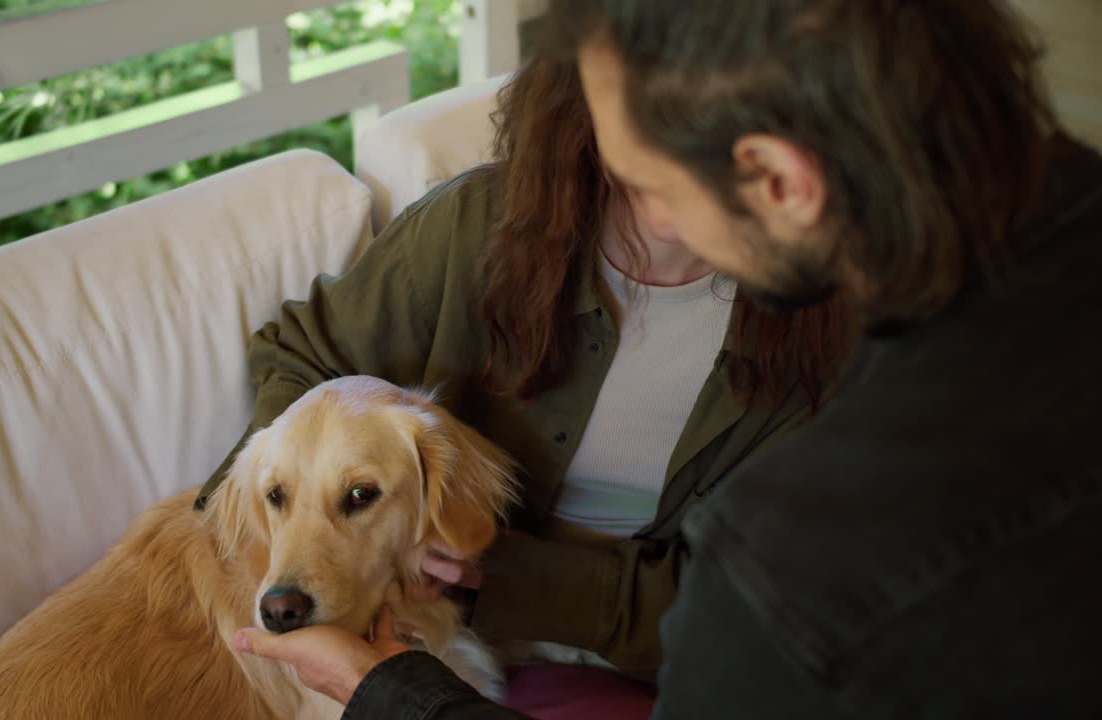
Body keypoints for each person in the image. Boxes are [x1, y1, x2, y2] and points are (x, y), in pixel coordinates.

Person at [230, 0, 1102, 718]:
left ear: (777, 180)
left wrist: (386, 693)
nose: (640, 216)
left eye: (650, 181)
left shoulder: (787, 570)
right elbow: (299, 356)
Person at [193, 12, 849, 717]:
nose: (685, 155)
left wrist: (503, 578)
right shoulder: (474, 226)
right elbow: (299, 356)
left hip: (645, 657)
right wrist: (296, 512)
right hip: (447, 646)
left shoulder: (834, 329)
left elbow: (767, 606)